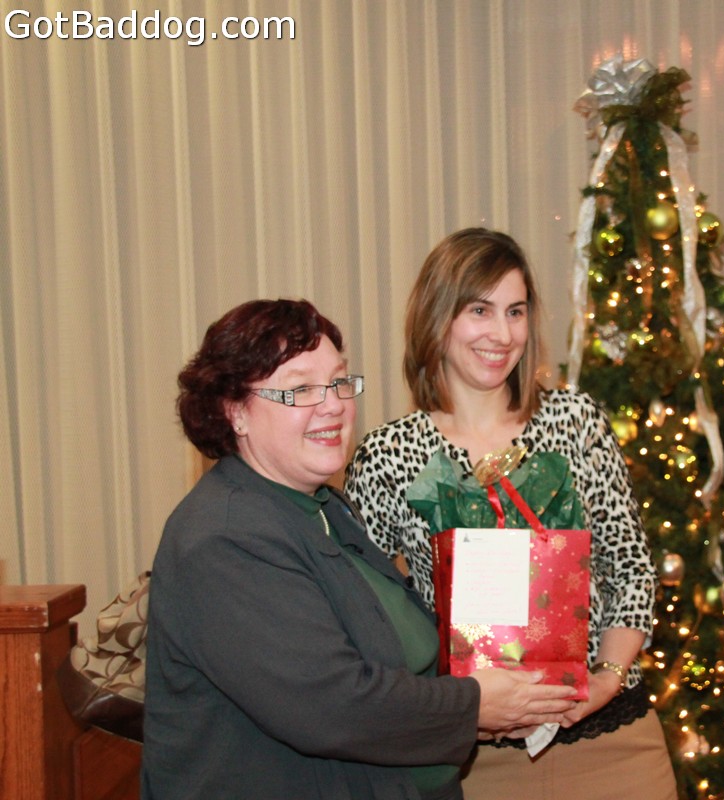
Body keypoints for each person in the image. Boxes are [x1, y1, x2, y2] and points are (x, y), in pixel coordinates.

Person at [142, 298, 576, 800]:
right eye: (301, 389)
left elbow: (393, 658)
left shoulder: (324, 508)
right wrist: (477, 706)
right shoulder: (225, 538)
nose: (332, 404)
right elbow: (330, 705)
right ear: (235, 410)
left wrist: (499, 692)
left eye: (339, 382)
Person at [345, 229, 678, 799]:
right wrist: (452, 704)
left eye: (515, 311)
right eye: (480, 310)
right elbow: (368, 620)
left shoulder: (575, 422)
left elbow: (630, 569)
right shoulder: (386, 455)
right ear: (437, 317)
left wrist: (606, 680)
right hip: (473, 765)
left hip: (613, 744)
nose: (502, 334)